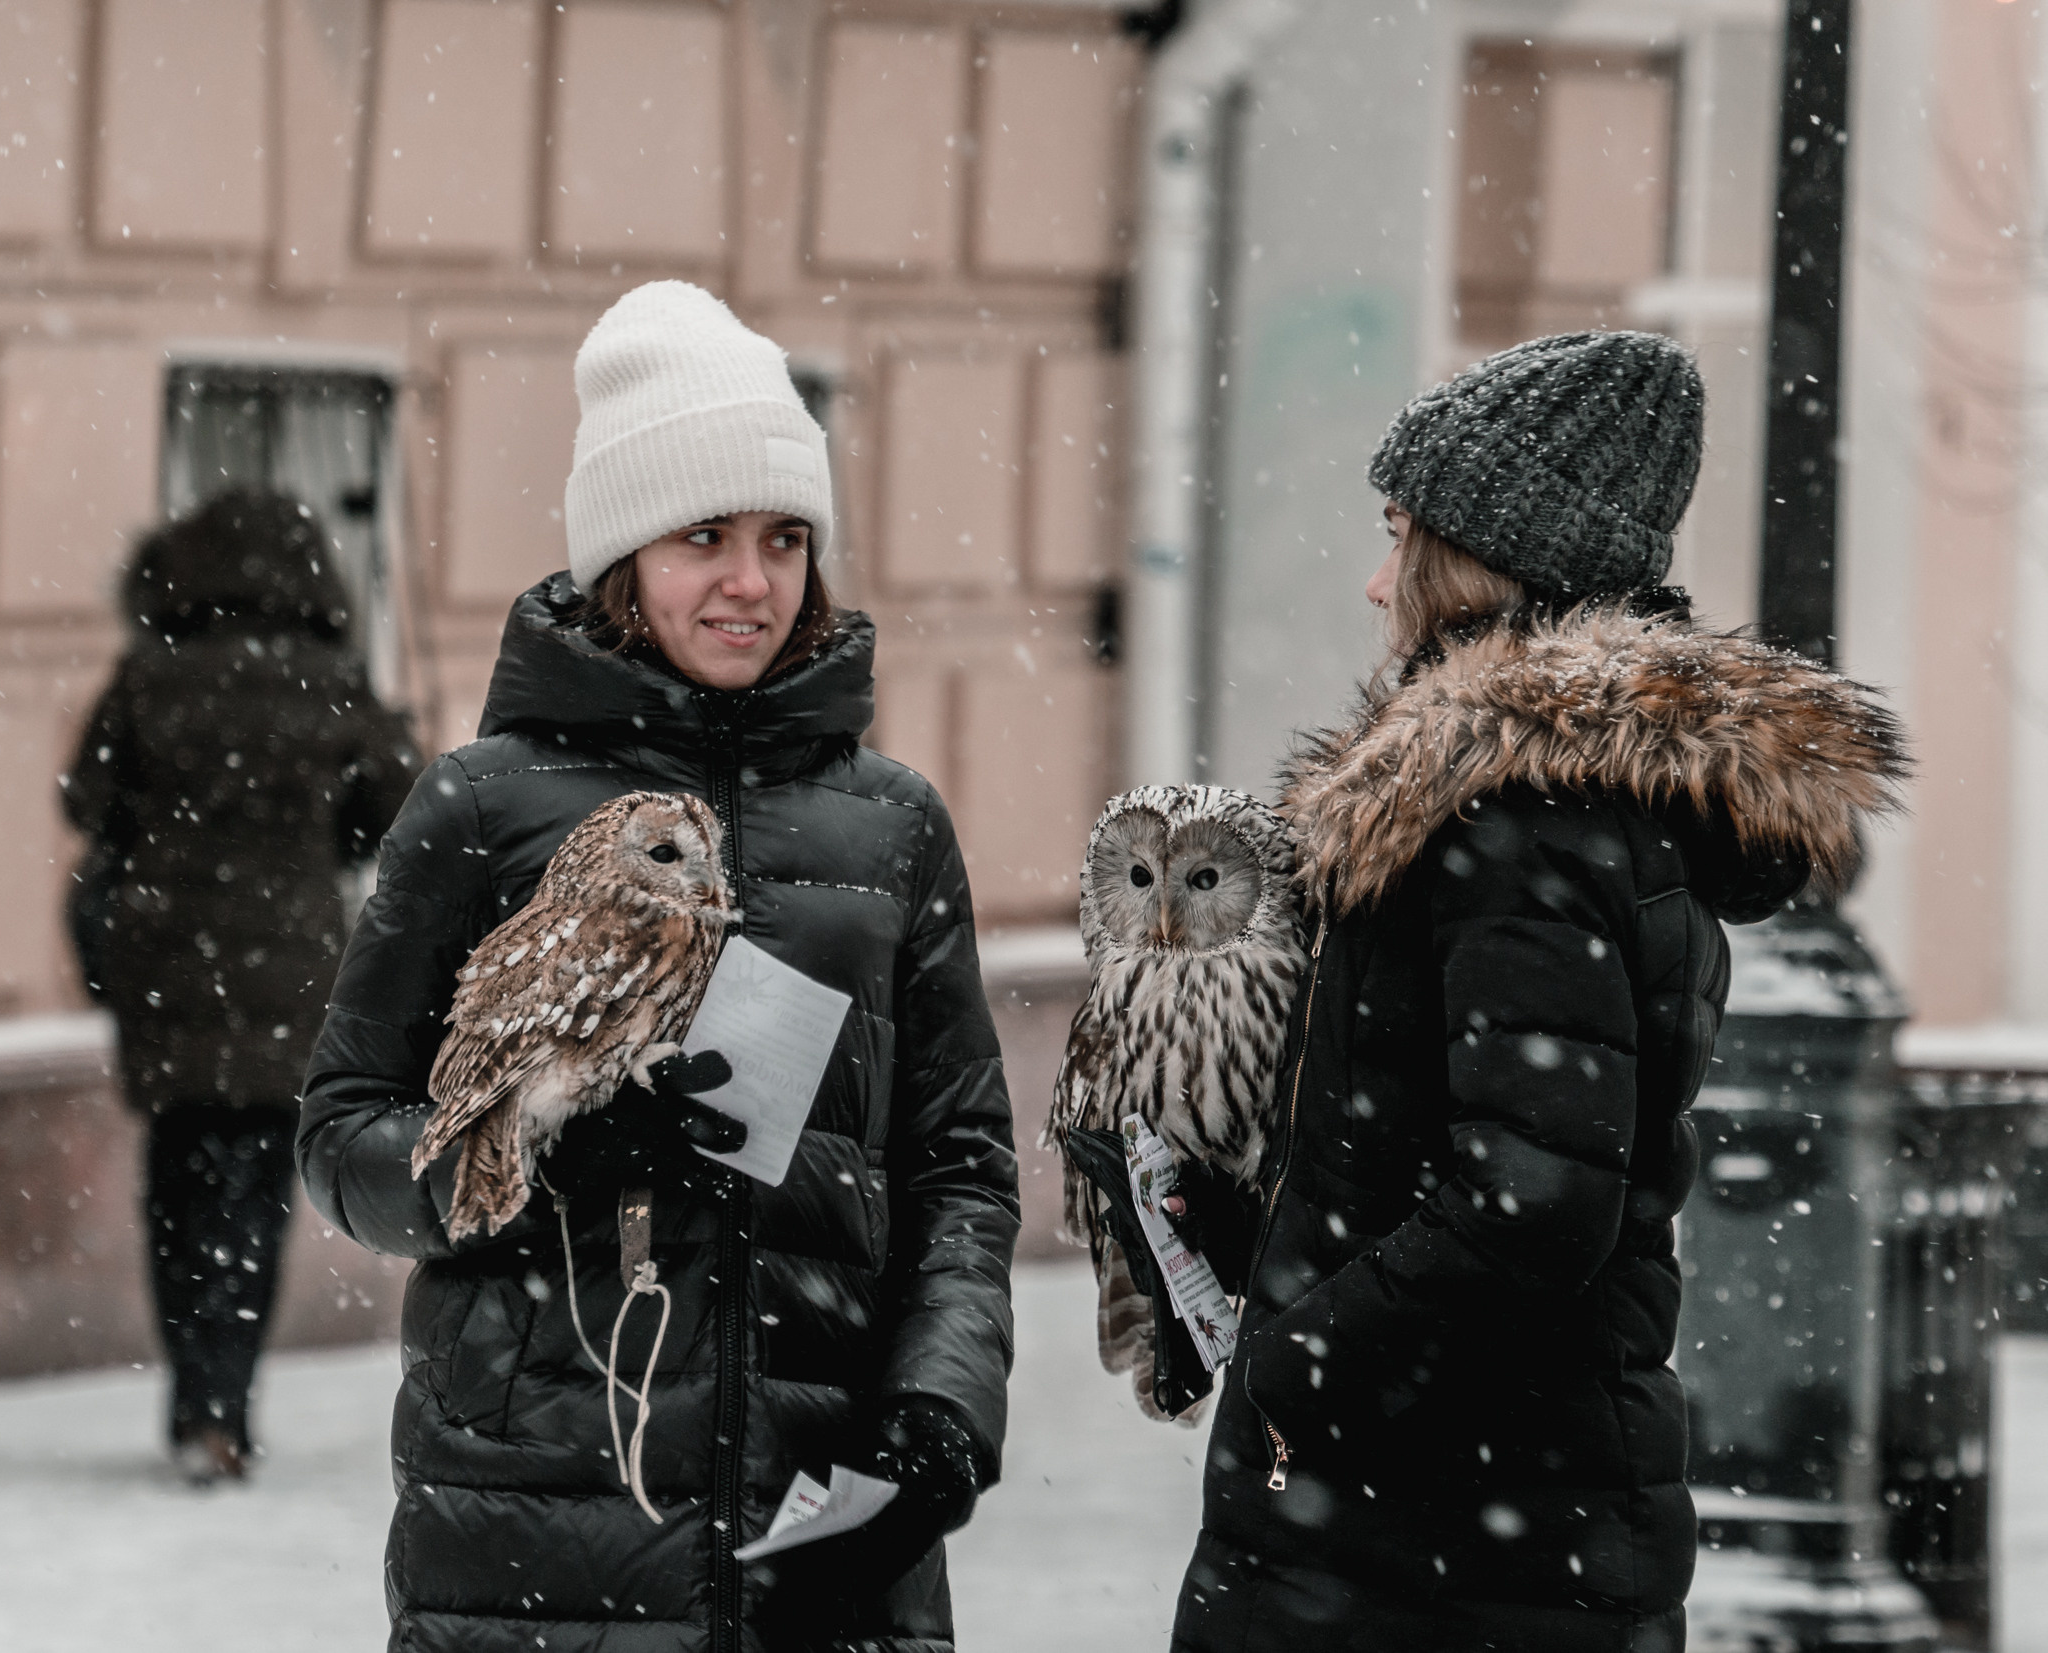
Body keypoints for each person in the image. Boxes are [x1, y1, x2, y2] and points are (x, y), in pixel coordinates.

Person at [299, 281, 1019, 1651]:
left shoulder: (889, 823)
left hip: (823, 1509)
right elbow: (340, 1138)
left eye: (783, 538)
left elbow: (958, 1164)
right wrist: (533, 1146)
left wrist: (941, 1403)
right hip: (538, 1513)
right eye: (703, 537)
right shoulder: (479, 807)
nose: (751, 582)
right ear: (622, 554)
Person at [1168, 332, 1908, 1652]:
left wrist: (1297, 1357)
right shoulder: (1553, 811)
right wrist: (1252, 1234)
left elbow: (1531, 1202)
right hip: (1474, 1520)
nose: (1371, 579)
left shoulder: (1519, 821)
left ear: (1477, 561)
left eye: (1400, 534)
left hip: (1443, 1537)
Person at [63, 488, 420, 1484]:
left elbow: (86, 801)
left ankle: (193, 1403)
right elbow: (398, 811)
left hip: (169, 968)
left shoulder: (148, 678)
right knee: (256, 1197)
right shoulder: (331, 681)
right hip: (289, 973)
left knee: (179, 1187)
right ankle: (229, 1408)